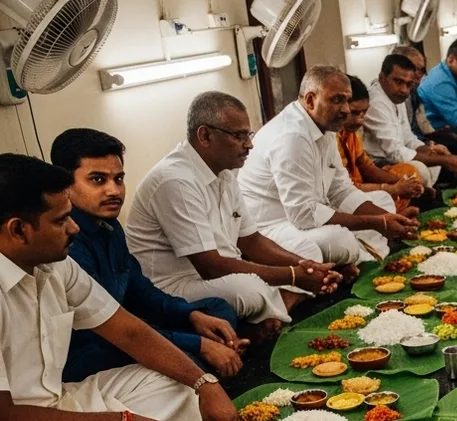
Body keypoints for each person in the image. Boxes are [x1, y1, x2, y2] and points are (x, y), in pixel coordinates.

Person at [0, 153, 239, 421]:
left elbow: (127, 330)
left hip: (62, 401)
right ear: (18, 230)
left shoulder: (55, 265)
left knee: (176, 386)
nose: (75, 229)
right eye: (61, 220)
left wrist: (203, 382)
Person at [128, 93, 341, 339]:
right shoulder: (175, 180)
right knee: (248, 290)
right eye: (239, 136)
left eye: (248, 135)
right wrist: (293, 276)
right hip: (171, 287)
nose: (249, 144)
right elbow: (210, 266)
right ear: (205, 135)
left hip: (218, 272)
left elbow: (251, 241)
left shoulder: (225, 173)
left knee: (301, 257)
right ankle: (265, 319)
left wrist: (304, 266)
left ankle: (266, 318)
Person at [50, 129, 245, 381]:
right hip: (97, 346)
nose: (114, 191)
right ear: (66, 186)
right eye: (98, 180)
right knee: (185, 359)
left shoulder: (109, 226)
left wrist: (190, 316)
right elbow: (113, 332)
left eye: (118, 179)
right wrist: (198, 344)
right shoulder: (67, 245)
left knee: (216, 310)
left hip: (132, 328)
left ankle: (215, 357)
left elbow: (139, 290)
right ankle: (211, 363)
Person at [240, 66, 414, 266]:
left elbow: (341, 189)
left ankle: (368, 258)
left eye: (347, 100)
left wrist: (387, 218)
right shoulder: (292, 137)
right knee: (339, 239)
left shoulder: (326, 128)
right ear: (311, 100)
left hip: (310, 214)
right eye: (337, 100)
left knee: (382, 201)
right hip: (272, 227)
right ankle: (362, 260)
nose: (346, 110)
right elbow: (304, 215)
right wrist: (377, 223)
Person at [363, 53, 457, 189]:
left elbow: (408, 138)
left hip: (397, 156)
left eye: (408, 84)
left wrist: (431, 150)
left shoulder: (396, 96)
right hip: (377, 163)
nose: (404, 90)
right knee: (421, 169)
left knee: (439, 154)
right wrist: (446, 160)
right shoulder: (376, 102)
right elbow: (395, 153)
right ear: (382, 77)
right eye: (398, 82)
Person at [341, 75, 427, 217]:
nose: (360, 121)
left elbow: (365, 165)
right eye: (354, 113)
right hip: (347, 194)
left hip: (360, 185)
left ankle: (392, 216)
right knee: (376, 199)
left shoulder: (350, 133)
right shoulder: (332, 136)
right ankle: (392, 218)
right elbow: (344, 190)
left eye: (363, 113)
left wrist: (402, 183)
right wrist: (393, 189)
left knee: (410, 173)